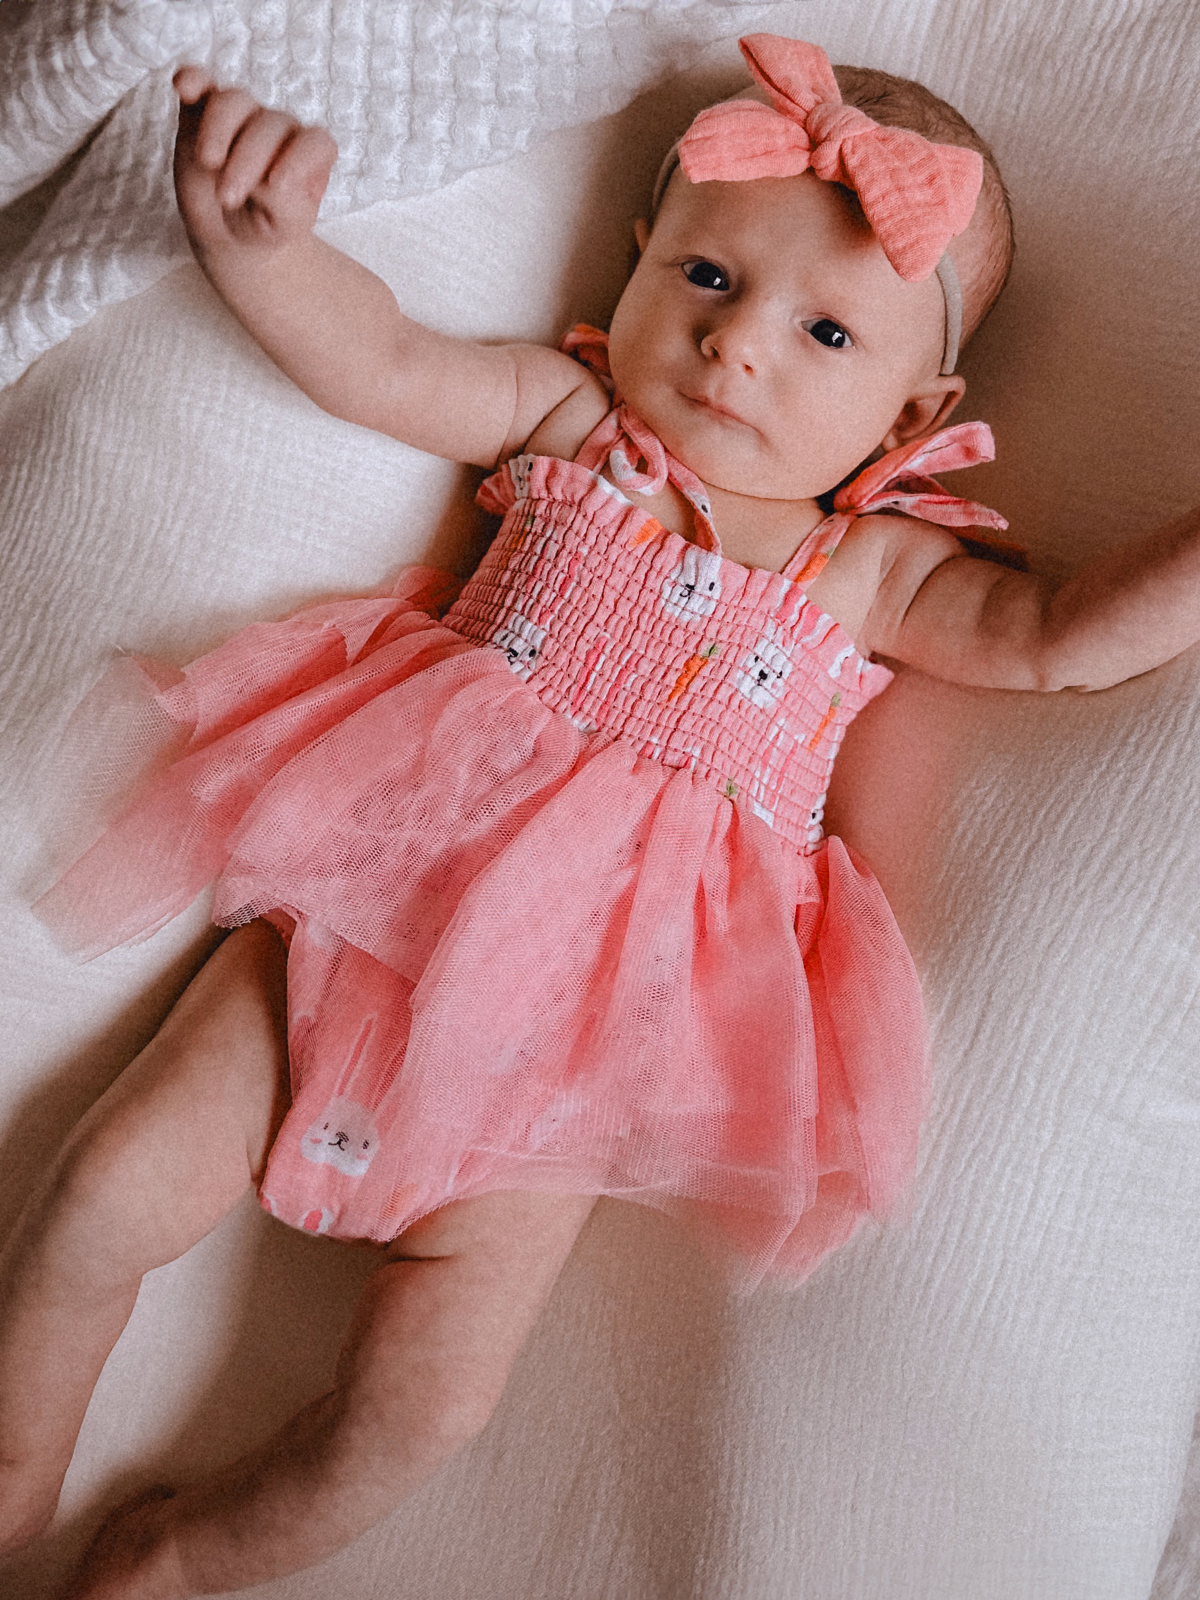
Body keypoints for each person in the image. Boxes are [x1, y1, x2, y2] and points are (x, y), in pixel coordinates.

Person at [3, 31, 1198, 1600]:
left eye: (826, 330)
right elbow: (383, 360)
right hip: (370, 906)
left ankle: (175, 1558)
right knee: (102, 1192)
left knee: (424, 1408)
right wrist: (268, 249)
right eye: (708, 278)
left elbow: (1056, 641)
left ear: (920, 411)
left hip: (585, 1046)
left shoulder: (871, 573)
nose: (738, 348)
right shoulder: (573, 426)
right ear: (639, 261)